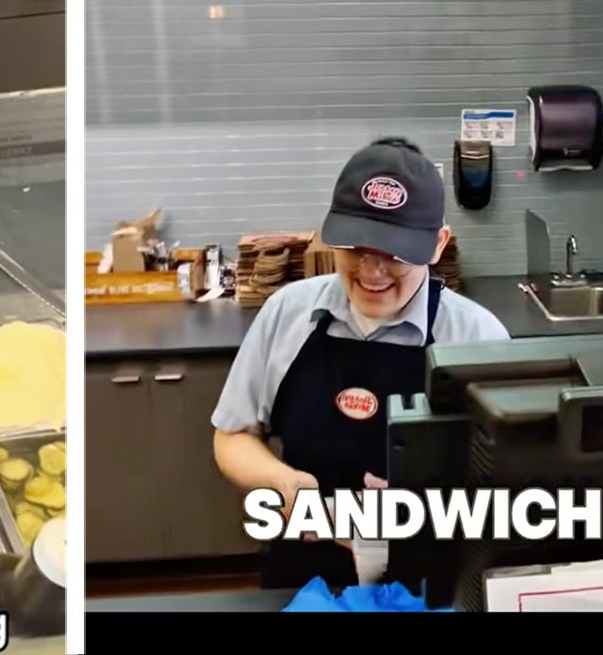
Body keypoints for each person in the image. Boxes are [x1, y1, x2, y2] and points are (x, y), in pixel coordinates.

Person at [212, 137, 511, 590]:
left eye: (394, 253)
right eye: (356, 248)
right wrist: (287, 485)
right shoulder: (287, 313)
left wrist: (434, 502)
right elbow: (232, 436)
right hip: (303, 573)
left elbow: (514, 477)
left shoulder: (478, 338)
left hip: (432, 579)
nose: (372, 272)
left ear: (436, 245)